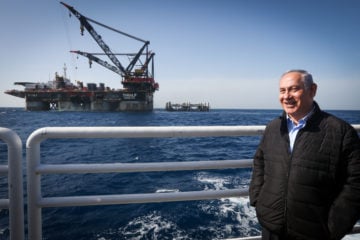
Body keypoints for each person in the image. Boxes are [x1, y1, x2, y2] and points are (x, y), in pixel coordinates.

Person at [249, 69, 360, 240]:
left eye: (294, 89)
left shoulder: (341, 131)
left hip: (315, 233)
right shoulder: (273, 128)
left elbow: (355, 183)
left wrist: (334, 226)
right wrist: (258, 199)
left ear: (312, 90)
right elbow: (260, 162)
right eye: (282, 90)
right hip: (272, 228)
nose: (287, 96)